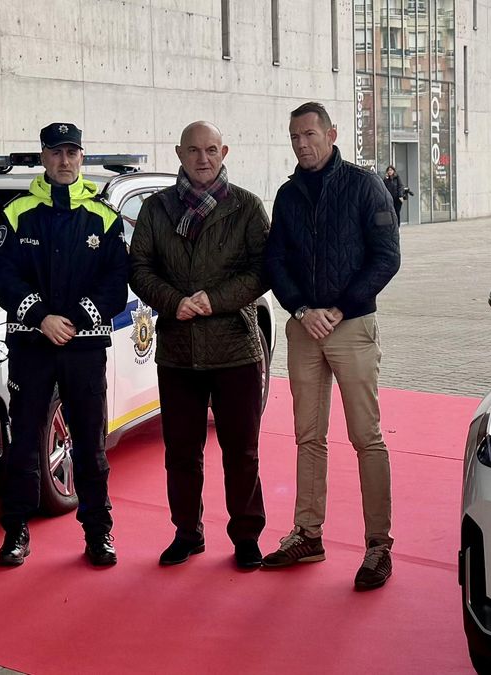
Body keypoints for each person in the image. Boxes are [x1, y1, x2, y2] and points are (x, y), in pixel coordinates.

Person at [263, 102, 401, 591]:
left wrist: (340, 308)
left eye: (309, 134)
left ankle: (378, 546)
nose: (301, 144)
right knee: (308, 436)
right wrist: (301, 309)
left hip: (351, 326)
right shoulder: (287, 195)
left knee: (367, 437)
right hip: (304, 328)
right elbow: (275, 261)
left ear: (331, 134)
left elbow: (386, 258)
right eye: (294, 136)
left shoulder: (366, 187)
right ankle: (307, 534)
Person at [129, 121, 270, 570]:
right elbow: (139, 267)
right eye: (193, 150)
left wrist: (215, 300)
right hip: (178, 350)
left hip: (235, 349)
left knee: (242, 452)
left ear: (224, 151)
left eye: (211, 150)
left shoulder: (246, 207)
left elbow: (263, 270)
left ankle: (246, 536)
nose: (202, 158)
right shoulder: (156, 209)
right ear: (178, 153)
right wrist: (174, 302)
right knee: (181, 453)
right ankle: (187, 533)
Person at [0, 122, 129, 567]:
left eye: (72, 152)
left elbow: (116, 285)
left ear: (82, 156)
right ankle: (15, 533)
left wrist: (71, 320)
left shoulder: (104, 218)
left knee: (90, 445)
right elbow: (5, 280)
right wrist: (40, 318)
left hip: (84, 350)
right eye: (56, 152)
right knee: (24, 443)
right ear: (43, 157)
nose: (64, 160)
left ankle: (98, 535)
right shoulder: (17, 213)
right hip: (31, 348)